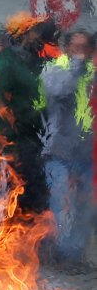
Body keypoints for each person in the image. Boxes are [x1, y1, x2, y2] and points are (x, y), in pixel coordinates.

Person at [0, 14, 55, 217]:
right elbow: (0, 100)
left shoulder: (35, 58)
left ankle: (36, 238)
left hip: (40, 134)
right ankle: (19, 237)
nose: (38, 35)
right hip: (19, 138)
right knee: (22, 190)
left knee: (39, 188)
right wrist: (10, 131)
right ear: (23, 34)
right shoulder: (7, 60)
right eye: (34, 31)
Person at [40, 29, 94, 264]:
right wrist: (76, 67)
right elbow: (57, 91)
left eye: (84, 48)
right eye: (76, 47)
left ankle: (75, 253)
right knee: (61, 203)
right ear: (67, 48)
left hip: (87, 151)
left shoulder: (93, 71)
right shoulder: (55, 68)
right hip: (58, 150)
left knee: (85, 204)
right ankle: (60, 251)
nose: (79, 52)